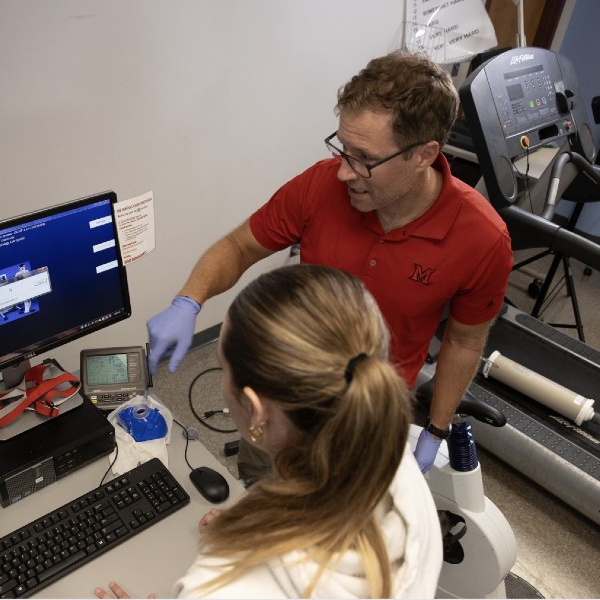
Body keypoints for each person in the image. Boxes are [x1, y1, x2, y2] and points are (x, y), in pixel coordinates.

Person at [146, 50, 513, 474]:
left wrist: (436, 428)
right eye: (343, 148)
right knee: (256, 491)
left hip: (367, 418)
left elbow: (465, 341)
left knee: (334, 524)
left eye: (365, 159)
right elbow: (239, 246)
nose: (343, 172)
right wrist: (188, 301)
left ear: (424, 155)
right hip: (280, 399)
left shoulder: (482, 239)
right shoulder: (321, 185)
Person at [96, 264, 442, 598]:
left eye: (223, 367)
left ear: (256, 408)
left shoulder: (221, 585)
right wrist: (259, 520)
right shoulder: (397, 462)